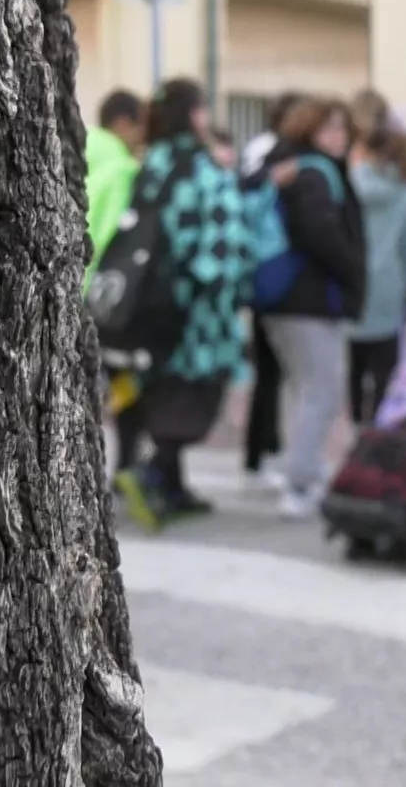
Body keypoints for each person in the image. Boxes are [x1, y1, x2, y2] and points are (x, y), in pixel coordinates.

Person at [112, 80, 253, 531]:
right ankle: (151, 472)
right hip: (199, 306)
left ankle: (173, 486)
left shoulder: (151, 163)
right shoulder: (205, 169)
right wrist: (227, 292)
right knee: (196, 394)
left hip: (152, 300)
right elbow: (223, 241)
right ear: (195, 114)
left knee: (162, 385)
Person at [259, 98, 368, 518]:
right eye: (329, 129)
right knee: (322, 388)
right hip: (309, 297)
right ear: (310, 133)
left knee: (302, 387)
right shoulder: (314, 174)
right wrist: (353, 267)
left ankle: (300, 468)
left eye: (341, 129)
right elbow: (320, 233)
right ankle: (301, 481)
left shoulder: (289, 167)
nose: (338, 138)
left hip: (285, 296)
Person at [241, 92, 306, 482]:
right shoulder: (273, 152)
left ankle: (264, 451)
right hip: (272, 269)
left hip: (264, 269)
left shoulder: (261, 148)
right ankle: (263, 451)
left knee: (271, 373)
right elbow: (249, 186)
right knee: (271, 373)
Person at [349, 115, 406, 430]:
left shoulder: (350, 185)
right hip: (389, 288)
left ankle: (356, 419)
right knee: (384, 363)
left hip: (352, 283)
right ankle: (376, 421)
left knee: (355, 361)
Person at [84, 90, 144, 285]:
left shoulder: (72, 150)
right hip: (92, 292)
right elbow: (112, 238)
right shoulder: (124, 171)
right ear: (124, 125)